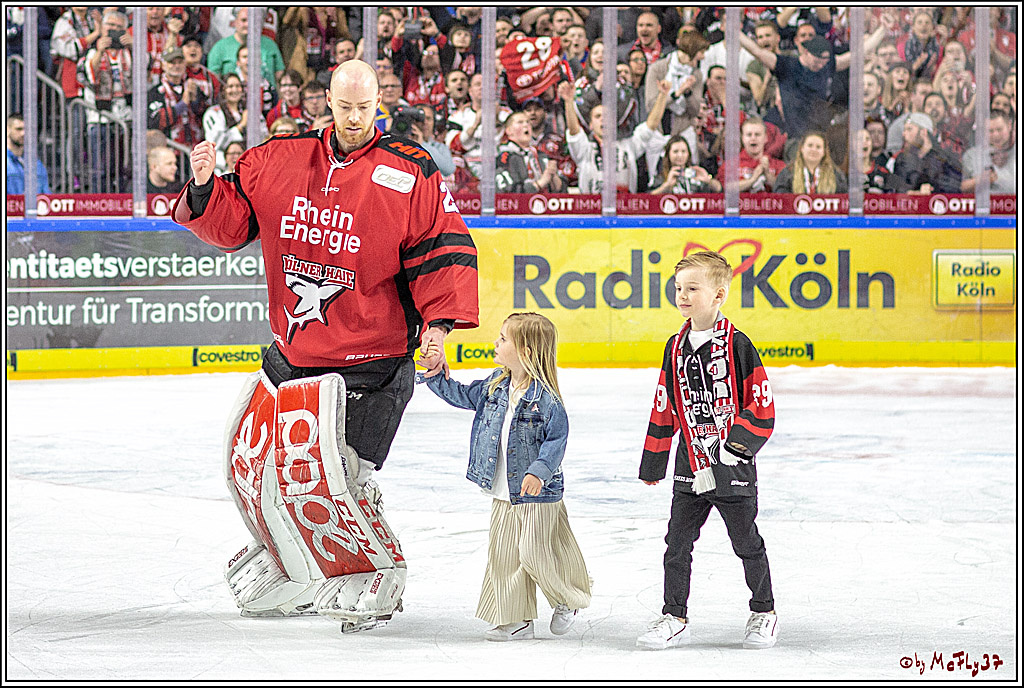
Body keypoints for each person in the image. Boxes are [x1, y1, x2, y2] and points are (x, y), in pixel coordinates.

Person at [172, 59, 479, 628]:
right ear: (328, 104)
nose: (357, 117)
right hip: (291, 359)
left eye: (367, 107)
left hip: (372, 367)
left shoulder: (410, 170)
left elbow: (444, 250)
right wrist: (204, 189)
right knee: (258, 472)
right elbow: (233, 224)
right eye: (346, 107)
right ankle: (293, 561)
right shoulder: (280, 159)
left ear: (378, 105)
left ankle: (377, 572)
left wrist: (437, 328)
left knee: (340, 481)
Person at [637, 250, 777, 651]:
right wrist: (654, 461)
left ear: (719, 295)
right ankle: (673, 615)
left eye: (692, 288)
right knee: (676, 544)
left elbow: (762, 402)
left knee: (746, 542)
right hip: (689, 466)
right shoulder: (675, 345)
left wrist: (737, 447)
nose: (682, 295)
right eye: (679, 288)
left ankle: (764, 610)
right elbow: (665, 402)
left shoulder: (738, 345)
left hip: (731, 467)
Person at [421, 312, 591, 642]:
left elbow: (557, 441)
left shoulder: (547, 400)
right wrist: (437, 374)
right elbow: (461, 395)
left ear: (526, 351)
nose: (495, 344)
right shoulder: (496, 386)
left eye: (503, 339)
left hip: (537, 494)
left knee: (533, 553)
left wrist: (539, 473)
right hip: (502, 489)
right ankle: (515, 618)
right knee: (503, 556)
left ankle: (567, 599)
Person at [891, 112, 962, 194]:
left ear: (923, 132)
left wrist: (932, 191)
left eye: (909, 129)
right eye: (904, 130)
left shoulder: (945, 160)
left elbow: (953, 190)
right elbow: (896, 191)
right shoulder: (902, 159)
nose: (903, 134)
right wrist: (917, 193)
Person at [716, 116, 786, 193]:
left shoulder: (779, 166)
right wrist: (752, 179)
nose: (753, 138)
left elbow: (785, 190)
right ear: (742, 138)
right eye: (749, 135)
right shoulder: (729, 165)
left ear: (766, 138)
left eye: (757, 134)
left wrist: (767, 174)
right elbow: (725, 188)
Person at [960, 109, 1016, 194]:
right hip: (984, 205)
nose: (995, 135)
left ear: (1009, 126)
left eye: (999, 129)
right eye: (990, 131)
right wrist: (981, 180)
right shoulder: (972, 155)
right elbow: (962, 188)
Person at [774, 131, 848, 194]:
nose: (814, 150)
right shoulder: (788, 172)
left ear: (824, 152)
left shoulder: (835, 174)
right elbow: (781, 199)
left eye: (818, 147)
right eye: (810, 145)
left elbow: (843, 198)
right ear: (802, 149)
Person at [649, 136, 720, 194]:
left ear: (688, 154)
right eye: (675, 151)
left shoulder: (696, 173)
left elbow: (719, 189)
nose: (680, 155)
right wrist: (666, 185)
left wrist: (708, 180)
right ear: (668, 154)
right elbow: (647, 199)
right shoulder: (660, 178)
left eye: (683, 151)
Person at [6, 113, 52, 194]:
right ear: (7, 130)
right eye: (18, 129)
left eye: (26, 129)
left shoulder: (37, 164)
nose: (23, 133)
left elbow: (46, 196)